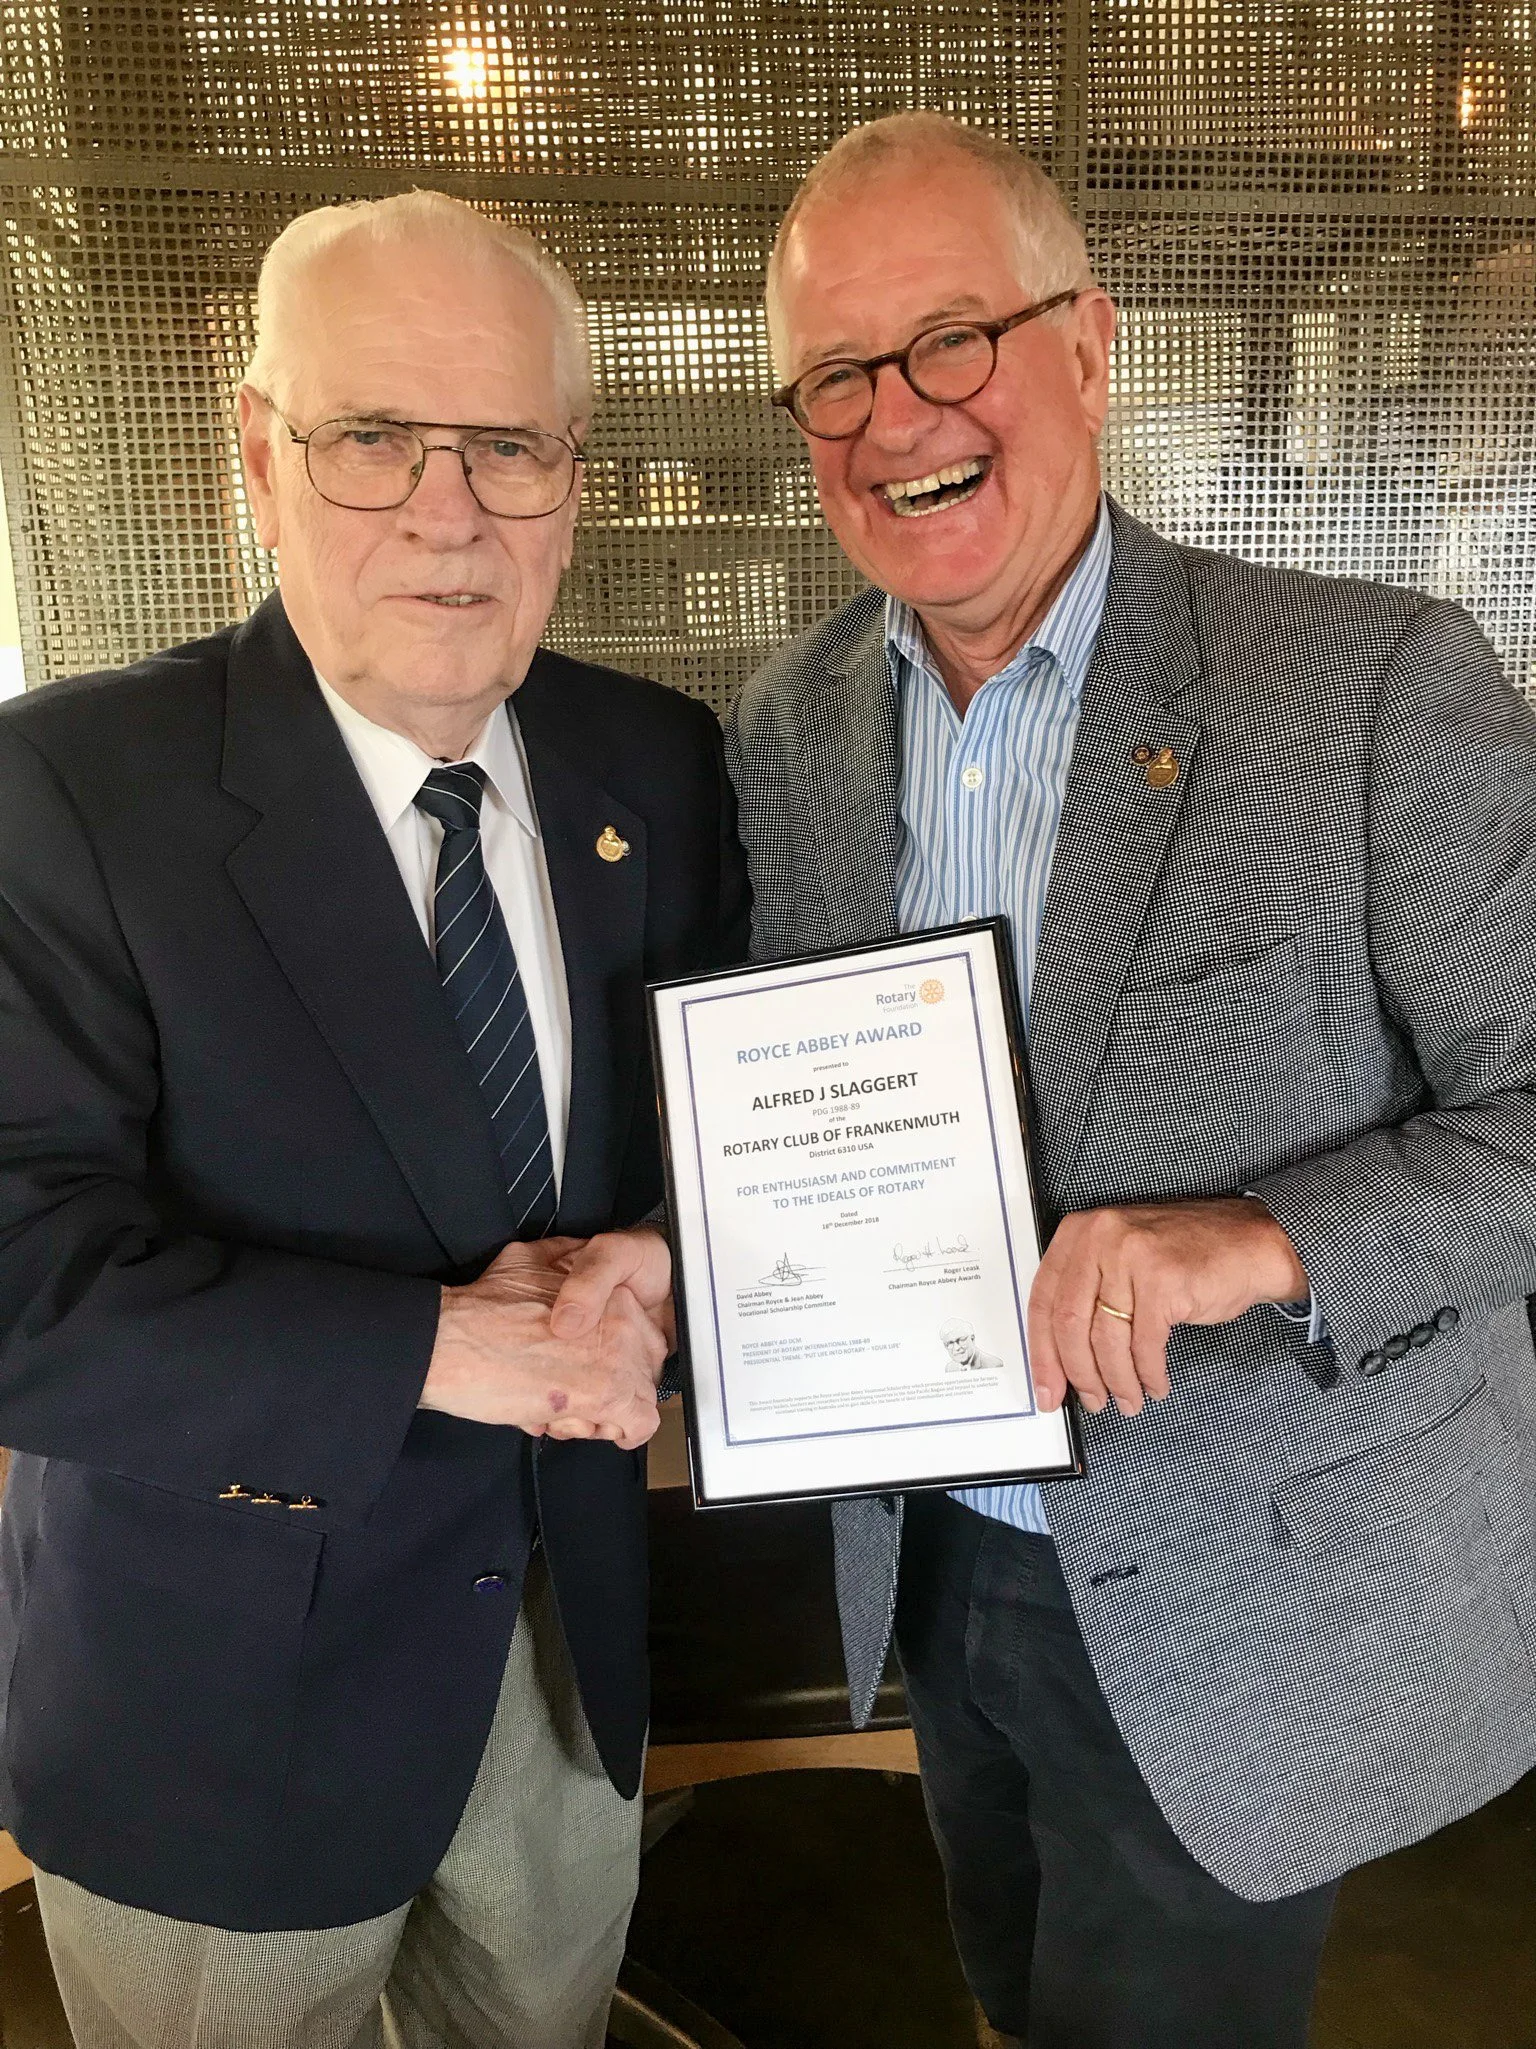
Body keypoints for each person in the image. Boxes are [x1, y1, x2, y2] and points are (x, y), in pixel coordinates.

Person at [727, 111, 1536, 2049]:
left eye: (950, 338)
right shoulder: (792, 724)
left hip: (1250, 1596)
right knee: (1006, 2000)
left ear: (1089, 345)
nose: (896, 416)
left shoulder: (1367, 681)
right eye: (837, 372)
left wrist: (1262, 1237)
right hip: (940, 1568)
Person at [0, 190, 746, 2049]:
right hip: (217, 1715)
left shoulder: (655, 762)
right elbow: (17, 1276)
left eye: (506, 443)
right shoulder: (62, 791)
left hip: (570, 1680)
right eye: (372, 440)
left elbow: (700, 1133)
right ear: (260, 456)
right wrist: (443, 1346)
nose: (447, 506)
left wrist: (666, 1244)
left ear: (576, 474)